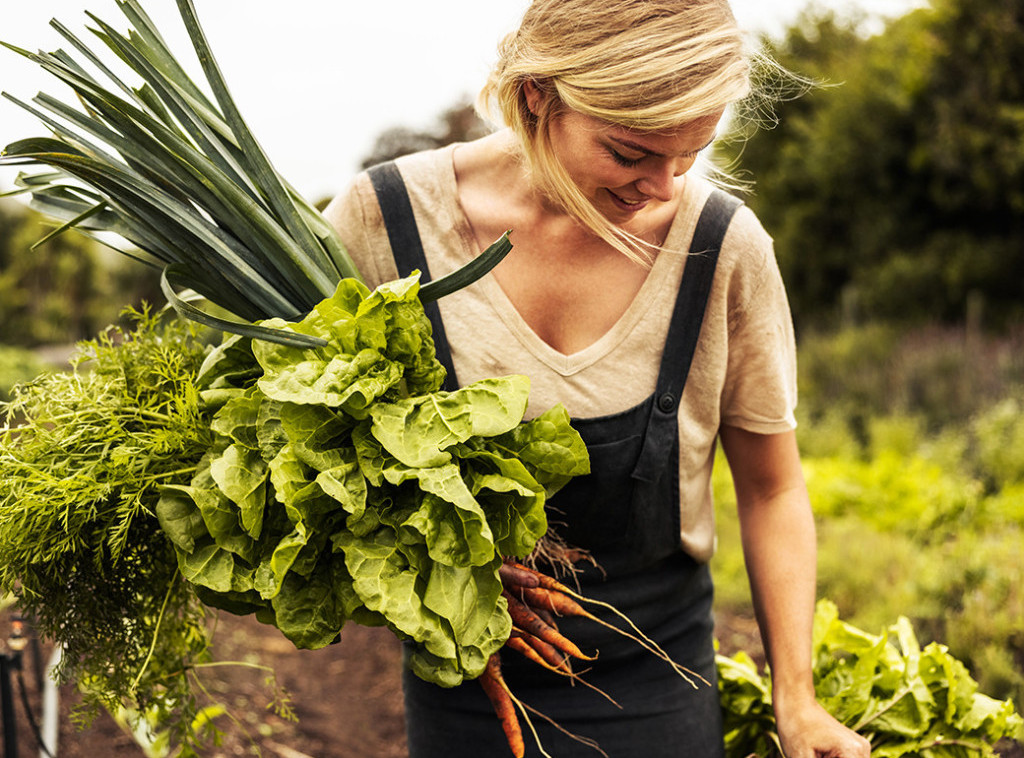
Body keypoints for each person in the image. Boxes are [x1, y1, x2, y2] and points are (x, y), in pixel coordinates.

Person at [325, 1, 872, 756]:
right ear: (535, 97)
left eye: (689, 157)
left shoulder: (722, 250)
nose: (665, 188)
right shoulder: (385, 224)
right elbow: (322, 468)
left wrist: (799, 700)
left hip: (657, 686)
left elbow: (773, 487)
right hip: (466, 699)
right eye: (631, 153)